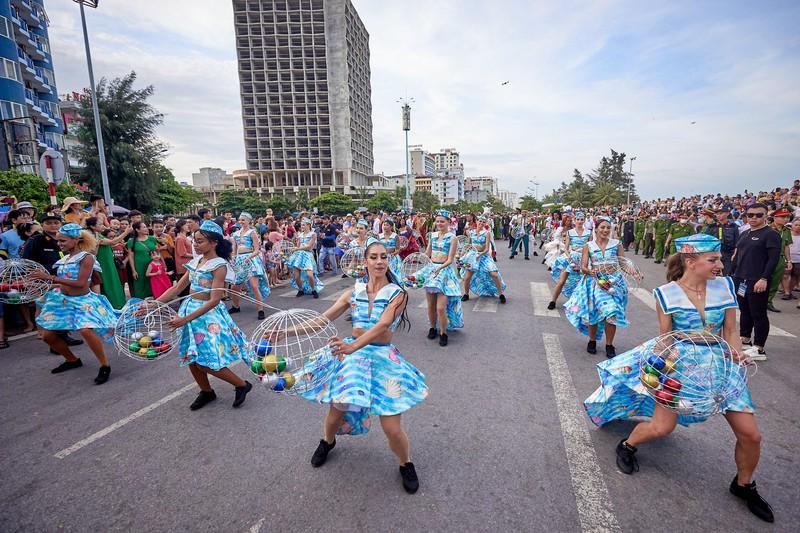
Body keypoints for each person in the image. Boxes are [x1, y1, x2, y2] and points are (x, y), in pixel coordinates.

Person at [584, 234, 773, 523]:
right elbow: (665, 338)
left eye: (719, 259)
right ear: (690, 261)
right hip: (681, 366)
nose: (720, 265)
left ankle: (744, 485)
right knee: (662, 427)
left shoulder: (725, 287)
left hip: (721, 368)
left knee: (751, 435)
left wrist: (736, 355)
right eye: (713, 260)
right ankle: (627, 445)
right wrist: (653, 372)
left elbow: (731, 330)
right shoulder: (666, 294)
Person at [298, 238, 427, 494]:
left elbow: (382, 326)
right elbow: (320, 321)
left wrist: (353, 347)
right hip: (353, 360)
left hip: (382, 359)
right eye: (374, 257)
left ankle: (406, 463)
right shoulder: (352, 292)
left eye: (383, 257)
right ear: (365, 261)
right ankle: (327, 441)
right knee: (336, 413)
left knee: (391, 427)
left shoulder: (398, 293)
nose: (379, 261)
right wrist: (287, 333)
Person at [154, 221, 252, 410]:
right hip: (189, 311)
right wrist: (153, 305)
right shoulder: (196, 262)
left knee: (206, 361)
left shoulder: (219, 266)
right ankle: (206, 391)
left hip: (207, 317)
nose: (196, 245)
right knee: (192, 357)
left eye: (200, 241)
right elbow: (176, 289)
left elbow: (215, 299)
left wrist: (184, 320)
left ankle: (242, 384)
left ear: (214, 242)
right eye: (195, 241)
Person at [31, 224, 116, 385]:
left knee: (85, 330)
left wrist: (50, 278)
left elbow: (80, 284)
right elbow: (64, 285)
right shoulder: (64, 259)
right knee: (47, 336)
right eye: (58, 241)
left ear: (75, 239)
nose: (59, 244)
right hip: (62, 301)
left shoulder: (87, 257)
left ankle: (105, 365)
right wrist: (41, 284)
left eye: (63, 241)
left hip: (83, 301)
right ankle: (72, 360)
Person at [564, 217, 628, 358]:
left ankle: (609, 345)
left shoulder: (617, 244)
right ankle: (592, 341)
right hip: (595, 283)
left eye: (608, 228)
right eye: (602, 227)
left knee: (611, 313)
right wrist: (589, 271)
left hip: (613, 283)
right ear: (596, 229)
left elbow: (623, 263)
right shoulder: (589, 246)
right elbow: (583, 266)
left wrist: (632, 272)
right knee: (593, 313)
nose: (605, 230)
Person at [732, 203, 781, 360]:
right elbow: (737, 254)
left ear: (766, 216)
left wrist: (764, 278)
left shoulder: (770, 234)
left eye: (758, 215)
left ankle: (759, 348)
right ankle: (745, 339)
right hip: (741, 278)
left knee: (758, 314)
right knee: (745, 311)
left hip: (757, 280)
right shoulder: (744, 233)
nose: (753, 218)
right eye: (750, 215)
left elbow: (773, 260)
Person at [422, 210, 463, 346]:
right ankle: (433, 328)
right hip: (432, 272)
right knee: (430, 305)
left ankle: (443, 333)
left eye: (442, 221)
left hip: (445, 273)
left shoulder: (453, 238)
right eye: (437, 221)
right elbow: (427, 253)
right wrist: (419, 258)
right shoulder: (432, 236)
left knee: (440, 308)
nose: (439, 223)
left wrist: (439, 268)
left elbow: (450, 259)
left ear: (448, 223)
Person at [229, 212, 269, 319]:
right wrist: (233, 257)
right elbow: (234, 249)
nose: (241, 222)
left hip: (251, 260)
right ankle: (235, 306)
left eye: (243, 220)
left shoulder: (252, 232)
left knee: (254, 286)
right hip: (240, 261)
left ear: (249, 221)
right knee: (235, 286)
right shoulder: (236, 234)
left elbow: (257, 250)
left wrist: (249, 257)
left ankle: (260, 310)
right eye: (240, 220)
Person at [548, 212, 592, 309]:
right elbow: (566, 249)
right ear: (574, 220)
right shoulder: (570, 232)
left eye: (582, 219)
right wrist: (570, 258)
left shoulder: (589, 232)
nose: (580, 221)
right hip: (571, 259)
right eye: (578, 219)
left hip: (583, 260)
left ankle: (579, 303)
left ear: (584, 220)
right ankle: (553, 301)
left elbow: (590, 247)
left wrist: (584, 254)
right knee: (562, 281)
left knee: (581, 282)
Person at [461, 214, 507, 303]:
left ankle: (501, 294)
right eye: (480, 221)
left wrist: (481, 254)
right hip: (472, 257)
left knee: (494, 274)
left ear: (485, 223)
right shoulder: (471, 232)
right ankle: (466, 294)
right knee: (467, 277)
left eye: (483, 222)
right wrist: (463, 254)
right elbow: (468, 245)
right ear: (477, 222)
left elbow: (486, 248)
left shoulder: (487, 233)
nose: (481, 223)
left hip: (484, 256)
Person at [87, 216, 130, 309]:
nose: (102, 226)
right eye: (99, 224)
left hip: (108, 262)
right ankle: (112, 305)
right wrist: (126, 232)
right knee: (108, 283)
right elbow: (113, 241)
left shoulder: (98, 234)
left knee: (113, 282)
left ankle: (118, 304)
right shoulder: (92, 236)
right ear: (92, 226)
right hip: (103, 263)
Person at [287, 217, 323, 298]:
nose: (302, 226)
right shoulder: (300, 235)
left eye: (303, 225)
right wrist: (294, 249)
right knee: (296, 276)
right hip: (299, 255)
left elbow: (309, 246)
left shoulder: (313, 234)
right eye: (301, 225)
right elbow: (298, 246)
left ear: (308, 225)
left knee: (310, 275)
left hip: (308, 255)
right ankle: (300, 290)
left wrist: (297, 248)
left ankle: (313, 290)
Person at [766, 208, 793, 311]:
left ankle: (768, 302)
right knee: (765, 280)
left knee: (775, 282)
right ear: (774, 217)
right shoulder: (768, 229)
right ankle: (760, 301)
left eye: (787, 217)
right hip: (767, 258)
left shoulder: (786, 231)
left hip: (780, 259)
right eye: (782, 217)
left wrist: (788, 260)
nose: (785, 219)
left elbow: (786, 246)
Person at [701, 207, 739, 276]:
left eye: (721, 213)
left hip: (728, 255)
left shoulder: (733, 226)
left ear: (727, 213)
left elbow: (737, 242)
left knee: (726, 275)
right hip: (714, 254)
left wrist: (735, 255)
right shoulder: (712, 227)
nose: (718, 215)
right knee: (714, 275)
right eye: (717, 214)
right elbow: (706, 241)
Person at [377, 217, 404, 282]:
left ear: (391, 227)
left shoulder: (395, 236)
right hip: (382, 258)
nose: (385, 226)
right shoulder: (379, 236)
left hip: (393, 258)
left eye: (387, 225)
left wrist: (392, 255)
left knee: (394, 275)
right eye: (384, 225)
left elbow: (398, 249)